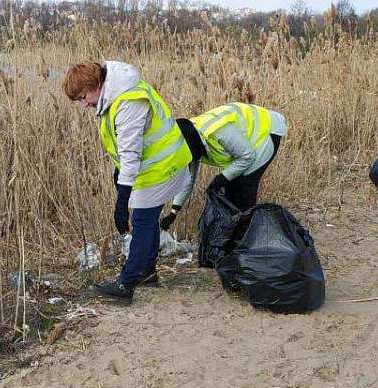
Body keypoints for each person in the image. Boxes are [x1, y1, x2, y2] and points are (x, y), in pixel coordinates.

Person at [63, 61, 192, 303]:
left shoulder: (128, 103)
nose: (85, 104)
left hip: (162, 166)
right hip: (157, 164)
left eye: (83, 97)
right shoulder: (115, 93)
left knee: (142, 221)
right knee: (149, 218)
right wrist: (118, 171)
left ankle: (126, 283)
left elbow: (131, 156)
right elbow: (125, 149)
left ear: (96, 84)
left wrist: (121, 202)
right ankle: (147, 272)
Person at [158, 103, 287, 229]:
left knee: (244, 187)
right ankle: (235, 237)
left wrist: (222, 177)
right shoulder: (189, 140)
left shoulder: (218, 131)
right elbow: (188, 178)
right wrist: (174, 211)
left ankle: (246, 239)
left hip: (266, 132)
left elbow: (247, 156)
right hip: (246, 147)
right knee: (231, 191)